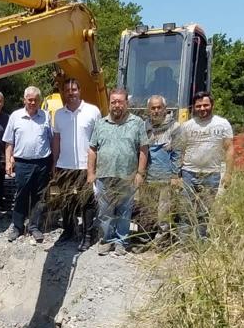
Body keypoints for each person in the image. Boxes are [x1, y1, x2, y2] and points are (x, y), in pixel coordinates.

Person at [86, 88, 149, 255]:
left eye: (120, 102)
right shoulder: (101, 123)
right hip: (104, 175)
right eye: (113, 102)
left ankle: (121, 241)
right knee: (105, 212)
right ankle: (106, 240)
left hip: (127, 177)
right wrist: (90, 173)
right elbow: (92, 149)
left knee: (124, 211)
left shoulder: (137, 123)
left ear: (126, 103)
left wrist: (140, 173)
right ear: (109, 104)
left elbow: (143, 149)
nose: (116, 105)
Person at [171, 91, 234, 240]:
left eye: (205, 105)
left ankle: (201, 240)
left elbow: (230, 149)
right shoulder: (187, 126)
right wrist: (176, 174)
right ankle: (183, 242)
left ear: (212, 105)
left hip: (211, 173)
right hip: (188, 173)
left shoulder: (222, 124)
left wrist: (229, 174)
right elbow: (180, 150)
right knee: (185, 209)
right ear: (194, 107)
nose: (202, 108)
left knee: (204, 210)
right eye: (198, 106)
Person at [51, 77, 102, 249]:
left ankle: (87, 235)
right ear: (63, 93)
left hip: (85, 165)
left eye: (74, 90)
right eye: (67, 90)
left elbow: (98, 139)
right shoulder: (58, 114)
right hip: (64, 165)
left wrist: (94, 167)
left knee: (87, 201)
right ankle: (69, 231)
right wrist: (55, 162)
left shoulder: (93, 111)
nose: (71, 93)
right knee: (66, 200)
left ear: (79, 91)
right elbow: (57, 139)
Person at [3, 86, 52, 243]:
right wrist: (8, 161)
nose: (32, 102)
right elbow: (9, 141)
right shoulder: (16, 116)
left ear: (40, 101)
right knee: (21, 195)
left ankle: (34, 226)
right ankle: (17, 227)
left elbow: (51, 139)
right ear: (24, 100)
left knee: (39, 196)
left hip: (42, 162)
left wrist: (53, 162)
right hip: (22, 162)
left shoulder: (46, 116)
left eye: (35, 100)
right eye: (29, 99)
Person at [140, 95, 180, 245]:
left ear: (165, 109)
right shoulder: (144, 127)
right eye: (153, 108)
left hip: (165, 177)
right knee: (147, 208)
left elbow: (178, 152)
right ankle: (146, 237)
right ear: (148, 110)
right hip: (147, 177)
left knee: (163, 211)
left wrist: (175, 174)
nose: (156, 111)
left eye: (159, 108)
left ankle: (162, 240)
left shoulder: (174, 127)